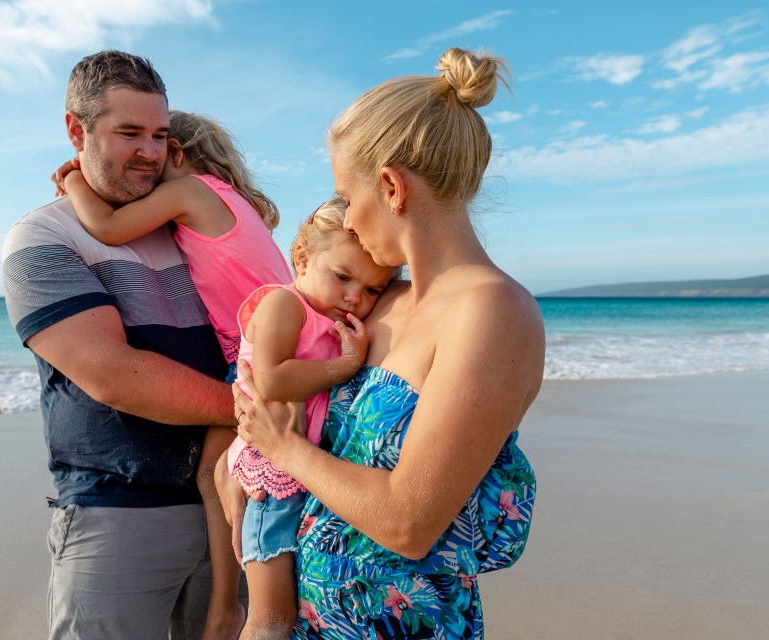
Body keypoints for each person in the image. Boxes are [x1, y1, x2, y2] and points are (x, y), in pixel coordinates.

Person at [218, 47, 544, 638]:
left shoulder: (493, 314)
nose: (347, 222)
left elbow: (407, 521)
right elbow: (306, 412)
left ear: (392, 187)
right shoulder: (384, 302)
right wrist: (242, 461)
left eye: (349, 193)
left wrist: (282, 450)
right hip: (309, 620)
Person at [2, 50, 243, 640]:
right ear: (76, 130)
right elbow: (115, 374)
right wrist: (262, 411)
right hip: (118, 514)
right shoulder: (43, 237)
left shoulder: (190, 224)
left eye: (160, 135)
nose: (150, 151)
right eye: (129, 133)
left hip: (238, 503)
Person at [49, 109, 293, 639]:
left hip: (255, 357)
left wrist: (72, 179)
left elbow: (108, 228)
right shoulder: (230, 203)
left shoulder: (191, 193)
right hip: (277, 346)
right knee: (244, 477)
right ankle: (244, 603)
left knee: (220, 476)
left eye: (156, 151)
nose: (146, 167)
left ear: (177, 155)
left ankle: (231, 608)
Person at [226, 197, 401, 638]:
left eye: (373, 289)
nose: (354, 297)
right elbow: (270, 380)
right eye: (342, 277)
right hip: (270, 473)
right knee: (271, 617)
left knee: (288, 608)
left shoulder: (327, 317)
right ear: (301, 258)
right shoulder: (285, 305)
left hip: (292, 460)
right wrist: (345, 365)